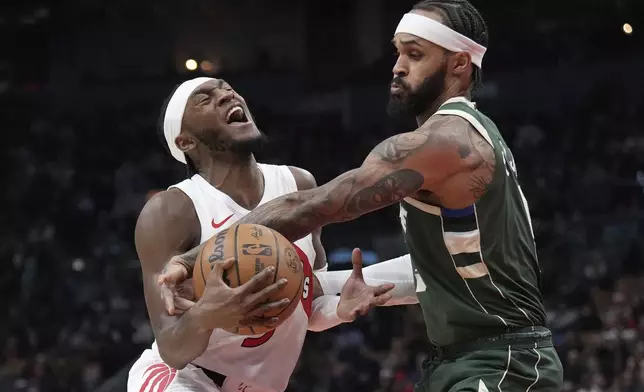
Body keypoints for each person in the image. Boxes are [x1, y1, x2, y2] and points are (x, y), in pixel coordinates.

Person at [175, 1, 565, 390]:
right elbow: (454, 266)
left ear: (459, 64)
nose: (397, 66)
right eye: (398, 51)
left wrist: (193, 260)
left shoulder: (445, 141)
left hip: (502, 362)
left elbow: (311, 206)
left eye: (415, 54)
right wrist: (322, 287)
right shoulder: (471, 135)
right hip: (467, 360)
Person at [128, 77, 418, 392]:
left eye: (226, 87)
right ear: (185, 142)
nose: (226, 94)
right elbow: (171, 348)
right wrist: (204, 316)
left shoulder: (297, 182)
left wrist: (338, 308)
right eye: (205, 98)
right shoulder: (172, 211)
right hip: (184, 380)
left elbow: (305, 300)